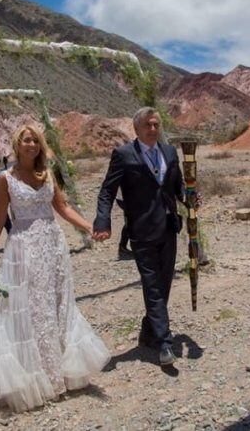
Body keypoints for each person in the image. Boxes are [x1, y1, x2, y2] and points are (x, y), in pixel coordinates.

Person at [0, 125, 110, 410]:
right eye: (26, 140)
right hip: (23, 248)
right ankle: (34, 377)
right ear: (17, 144)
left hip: (53, 246)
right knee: (29, 308)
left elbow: (62, 208)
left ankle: (60, 373)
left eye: (36, 140)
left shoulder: (47, 175)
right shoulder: (5, 179)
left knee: (56, 304)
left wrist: (88, 226)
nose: (31, 144)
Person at [93, 107, 185, 366]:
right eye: (148, 125)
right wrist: (103, 220)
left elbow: (176, 186)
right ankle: (164, 343)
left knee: (164, 283)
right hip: (142, 231)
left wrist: (189, 196)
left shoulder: (169, 152)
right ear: (137, 128)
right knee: (152, 284)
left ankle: (148, 330)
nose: (153, 129)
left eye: (156, 124)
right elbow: (106, 191)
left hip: (168, 227)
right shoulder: (124, 155)